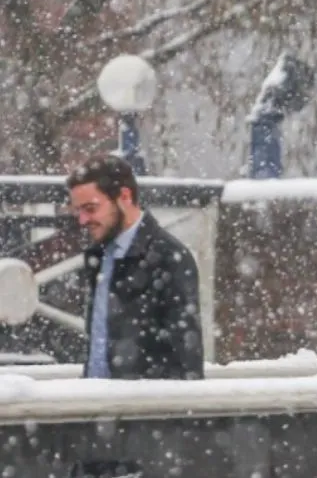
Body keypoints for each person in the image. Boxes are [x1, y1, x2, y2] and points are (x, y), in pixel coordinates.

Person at [66, 154, 205, 477]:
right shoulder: (102, 256)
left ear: (124, 197)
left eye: (91, 208)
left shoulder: (169, 258)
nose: (82, 220)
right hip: (100, 426)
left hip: (141, 434)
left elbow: (187, 360)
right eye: (78, 211)